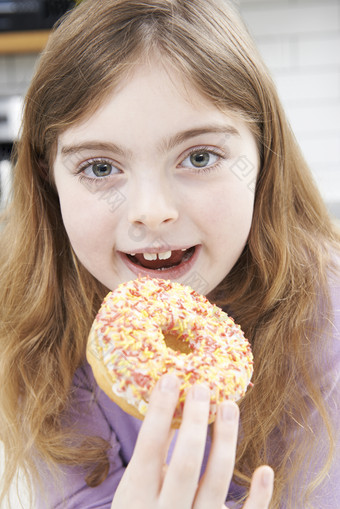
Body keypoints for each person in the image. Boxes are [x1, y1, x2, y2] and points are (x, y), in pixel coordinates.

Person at [0, 0, 339, 507]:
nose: (150, 212)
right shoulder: (36, 324)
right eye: (98, 168)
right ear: (50, 183)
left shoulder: (326, 318)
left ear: (264, 161)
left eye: (199, 157)